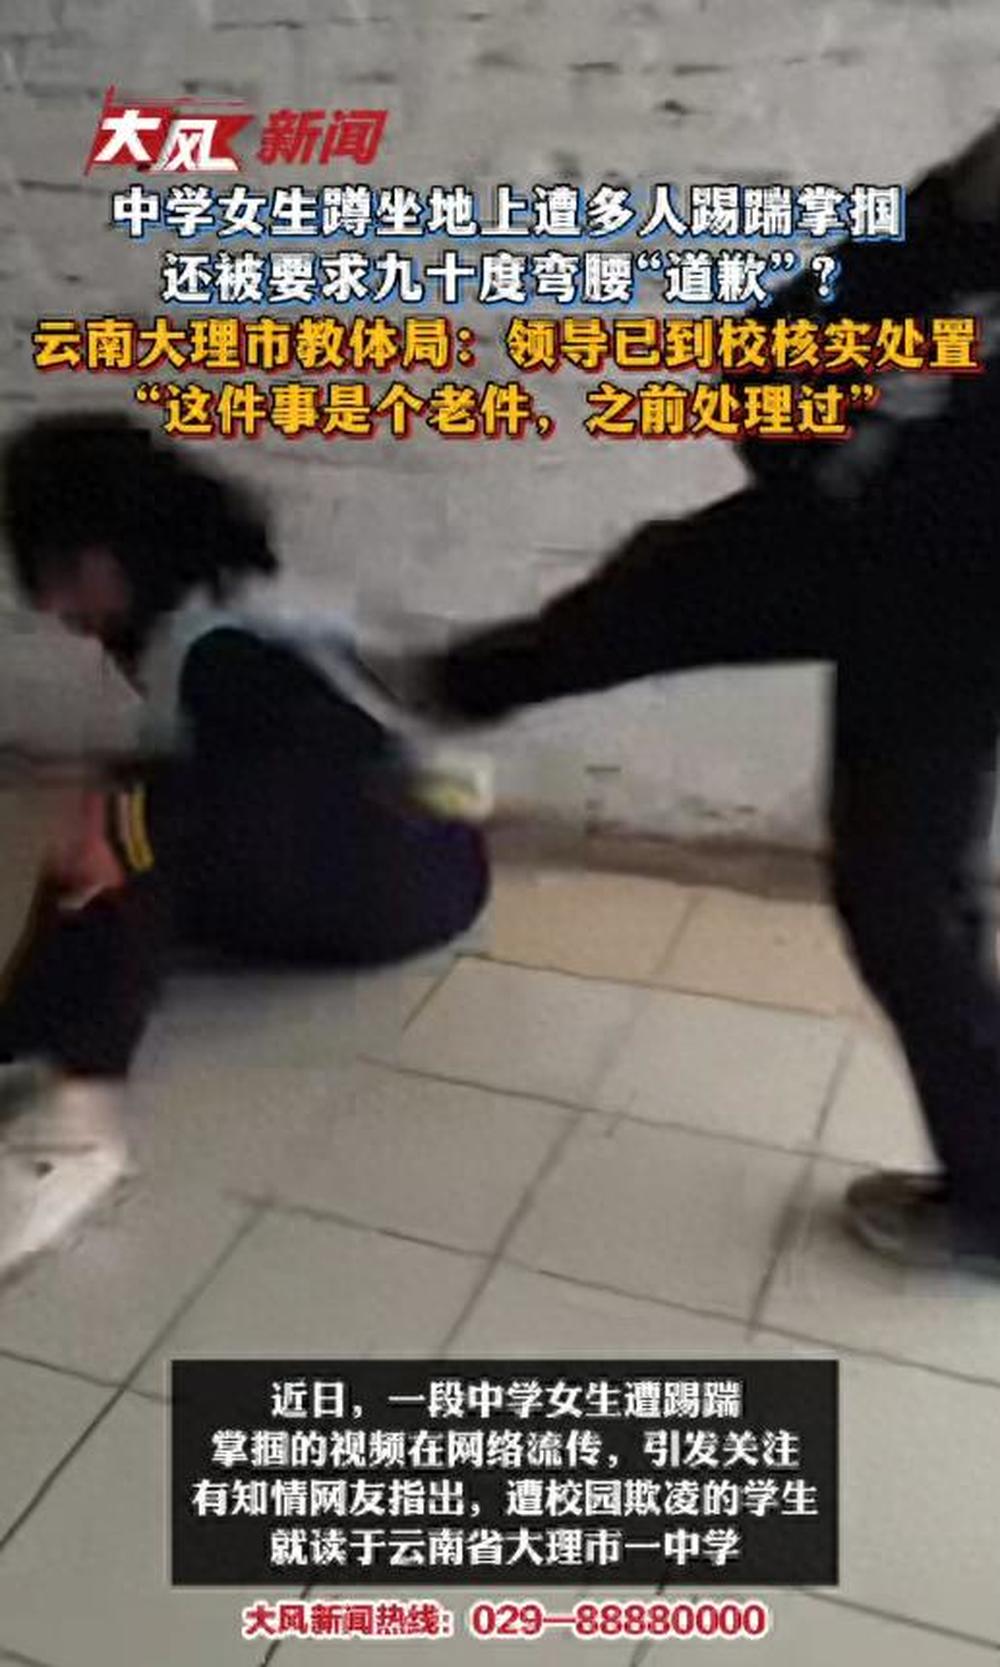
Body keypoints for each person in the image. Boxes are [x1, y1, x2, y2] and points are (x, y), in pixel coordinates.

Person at [381, 115, 1000, 1273]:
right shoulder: (951, 225)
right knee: (655, 584)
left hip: (956, 595)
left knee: (901, 889)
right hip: (859, 521)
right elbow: (771, 355)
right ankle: (439, 688)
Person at [0, 412, 490, 1274]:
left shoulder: (219, 652)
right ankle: (25, 1040)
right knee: (123, 822)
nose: (52, 607)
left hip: (397, 885)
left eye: (64, 574)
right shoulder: (225, 597)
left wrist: (132, 835)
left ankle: (72, 1129)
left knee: (121, 833)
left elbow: (292, 771)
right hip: (441, 860)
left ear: (119, 550)